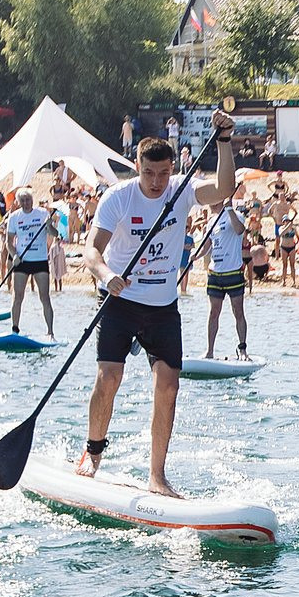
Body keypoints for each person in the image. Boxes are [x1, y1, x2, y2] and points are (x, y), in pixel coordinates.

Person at [80, 113, 236, 493]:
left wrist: (225, 141)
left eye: (163, 174)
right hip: (120, 299)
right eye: (149, 174)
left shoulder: (181, 190)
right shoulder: (118, 197)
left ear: (172, 169)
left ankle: (157, 476)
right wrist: (105, 275)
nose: (156, 182)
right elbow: (91, 251)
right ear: (138, 167)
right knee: (109, 379)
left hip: (163, 308)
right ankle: (93, 453)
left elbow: (225, 188)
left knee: (168, 386)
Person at [2, 189, 58, 338]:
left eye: (28, 200)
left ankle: (50, 332)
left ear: (32, 200)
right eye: (23, 201)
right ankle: (15, 329)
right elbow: (9, 242)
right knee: (17, 296)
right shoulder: (14, 218)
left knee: (44, 297)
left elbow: (55, 234)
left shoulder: (43, 214)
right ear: (18, 203)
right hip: (22, 260)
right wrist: (14, 255)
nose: (26, 203)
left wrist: (49, 226)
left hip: (40, 260)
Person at [202, 196, 252, 358]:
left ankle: (242, 349)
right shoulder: (211, 221)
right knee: (213, 313)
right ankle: (209, 351)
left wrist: (229, 208)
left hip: (233, 273)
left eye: (211, 199)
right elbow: (207, 246)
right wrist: (195, 255)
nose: (209, 203)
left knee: (238, 311)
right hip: (215, 274)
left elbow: (239, 230)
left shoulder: (236, 215)